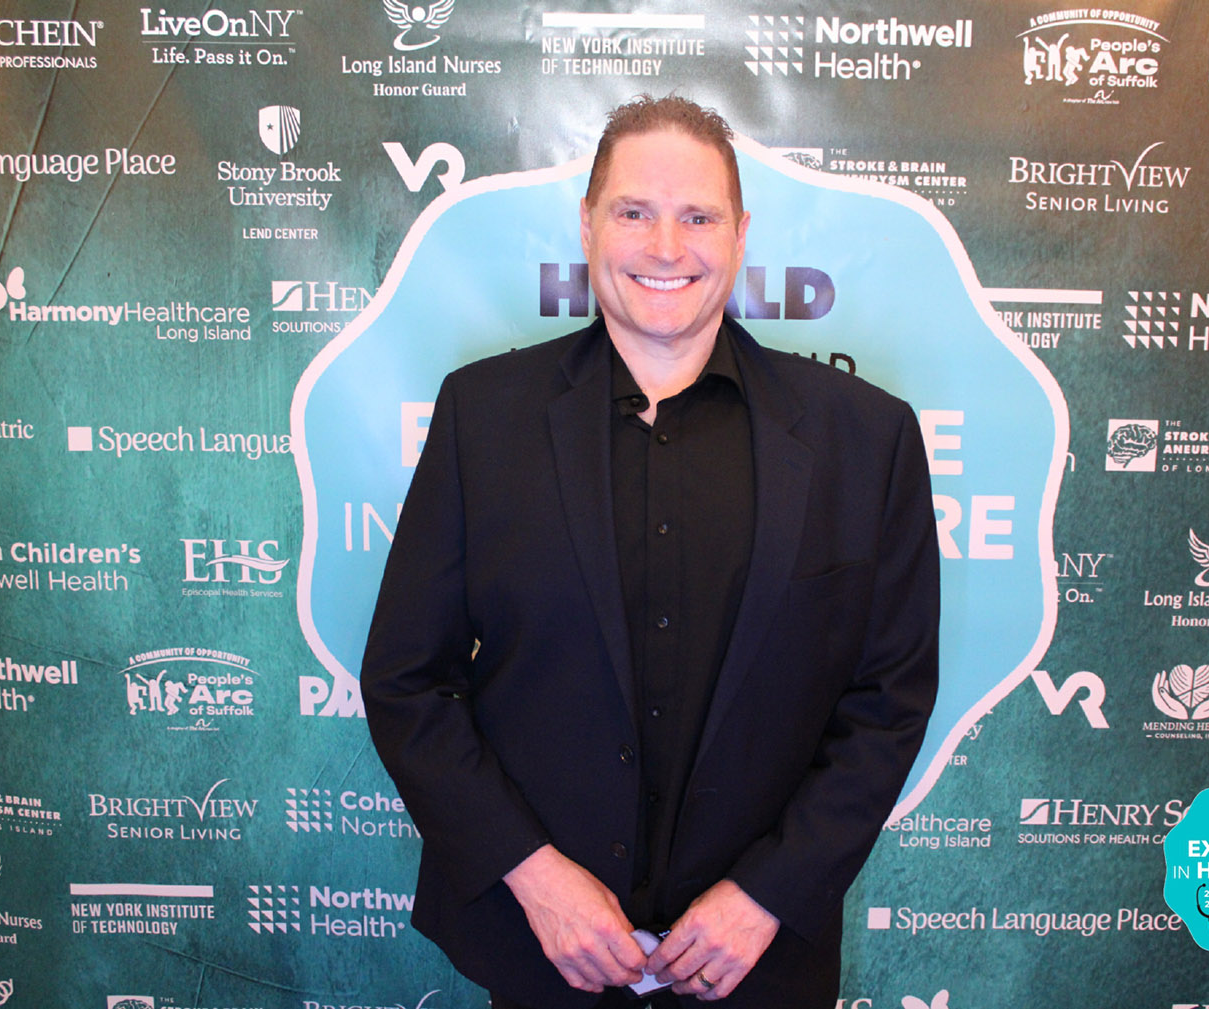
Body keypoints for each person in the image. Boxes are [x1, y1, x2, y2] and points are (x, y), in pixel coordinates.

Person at [362, 95, 939, 1009]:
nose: (666, 248)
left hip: (758, 964)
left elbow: (889, 702)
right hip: (541, 952)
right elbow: (407, 681)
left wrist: (767, 895)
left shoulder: (867, 440)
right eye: (634, 212)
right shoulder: (482, 416)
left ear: (740, 235)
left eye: (698, 217)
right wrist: (535, 878)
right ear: (587, 224)